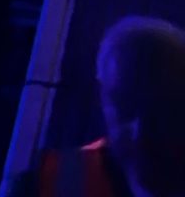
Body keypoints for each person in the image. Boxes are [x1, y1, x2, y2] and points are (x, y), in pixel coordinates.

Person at [18, 17, 185, 197]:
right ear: (102, 97)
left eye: (158, 110)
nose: (139, 131)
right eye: (124, 106)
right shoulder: (47, 183)